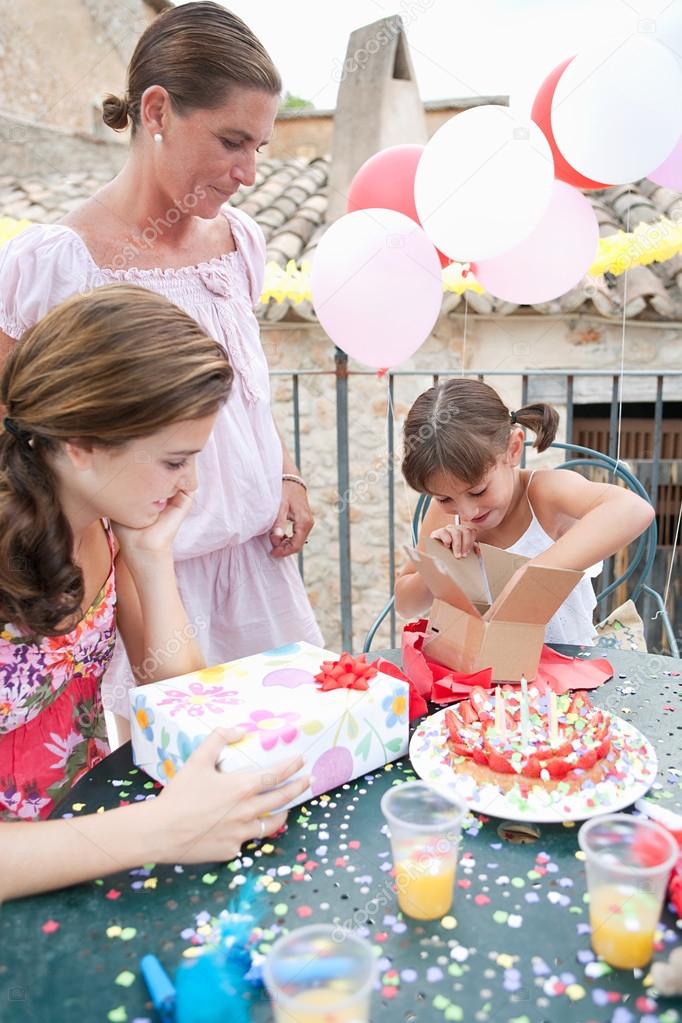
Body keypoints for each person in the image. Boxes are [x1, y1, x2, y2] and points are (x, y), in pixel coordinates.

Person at [0, 1, 322, 718]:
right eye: (233, 140)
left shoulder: (240, 241)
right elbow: (11, 425)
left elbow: (242, 391)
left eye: (260, 148)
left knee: (285, 750)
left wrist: (286, 469)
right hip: (135, 579)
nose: (248, 172)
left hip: (256, 564)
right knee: (172, 755)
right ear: (157, 111)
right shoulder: (52, 261)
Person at [0, 285, 308, 901]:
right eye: (173, 461)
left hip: (82, 847)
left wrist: (150, 556)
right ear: (82, 446)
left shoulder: (105, 529)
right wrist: (162, 829)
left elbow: (181, 696)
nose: (190, 484)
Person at [395, 378, 655, 645]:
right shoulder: (447, 514)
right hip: (482, 676)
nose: (467, 510)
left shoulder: (544, 494)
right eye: (444, 497)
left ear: (513, 449)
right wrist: (438, 565)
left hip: (569, 668)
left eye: (478, 491)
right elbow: (405, 605)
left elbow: (634, 509)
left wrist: (530, 574)